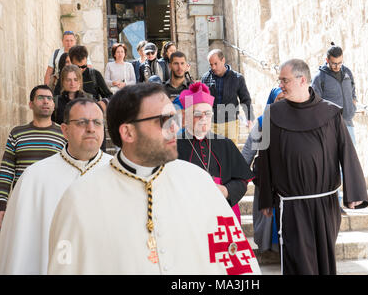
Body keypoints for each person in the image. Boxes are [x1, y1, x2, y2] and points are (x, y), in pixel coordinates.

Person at [47, 83, 261, 275]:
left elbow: (237, 267)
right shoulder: (80, 199)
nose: (175, 128)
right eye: (163, 120)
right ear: (128, 133)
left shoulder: (199, 182)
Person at [258, 59, 368, 275]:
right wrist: (265, 198)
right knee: (299, 263)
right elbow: (265, 158)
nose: (280, 84)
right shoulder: (272, 114)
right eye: (280, 80)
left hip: (325, 204)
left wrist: (353, 193)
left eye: (284, 80)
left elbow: (347, 151)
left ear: (302, 80)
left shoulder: (330, 113)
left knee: (324, 262)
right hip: (292, 206)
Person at [0, 98, 112, 274]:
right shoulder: (35, 178)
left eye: (97, 122)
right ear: (64, 130)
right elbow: (21, 251)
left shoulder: (121, 174)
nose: (90, 128)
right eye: (81, 122)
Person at [177, 82, 253, 225]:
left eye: (208, 113)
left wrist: (225, 190)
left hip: (224, 212)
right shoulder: (174, 147)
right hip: (189, 217)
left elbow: (242, 181)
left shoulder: (225, 144)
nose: (204, 118)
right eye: (198, 114)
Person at [0, 85, 66, 228]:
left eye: (49, 98)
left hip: (54, 204)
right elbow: (6, 171)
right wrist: (1, 205)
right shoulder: (17, 134)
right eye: (40, 98)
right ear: (31, 104)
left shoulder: (64, 134)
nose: (46, 101)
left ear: (53, 104)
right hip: (22, 203)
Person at [241, 87, 284, 253]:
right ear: (272, 101)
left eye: (284, 98)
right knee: (268, 217)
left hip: (288, 181)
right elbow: (248, 152)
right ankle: (269, 247)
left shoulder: (296, 120)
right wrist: (239, 177)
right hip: (267, 178)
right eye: (279, 99)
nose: (282, 102)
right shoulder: (261, 122)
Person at [201, 49, 255, 145]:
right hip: (212, 123)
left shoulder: (237, 78)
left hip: (231, 122)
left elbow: (245, 99)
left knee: (231, 153)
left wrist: (249, 117)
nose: (213, 67)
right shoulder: (205, 78)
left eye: (215, 63)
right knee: (213, 153)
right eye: (211, 64)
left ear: (223, 60)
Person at [311, 42, 357, 144]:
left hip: (348, 123)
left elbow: (353, 90)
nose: (337, 66)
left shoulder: (347, 73)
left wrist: (353, 107)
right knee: (333, 158)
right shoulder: (319, 78)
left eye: (340, 63)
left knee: (351, 157)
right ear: (327, 60)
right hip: (329, 127)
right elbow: (313, 103)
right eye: (334, 63)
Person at [68, 45, 112, 109]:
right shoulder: (65, 76)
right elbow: (57, 97)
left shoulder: (94, 75)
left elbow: (109, 96)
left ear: (86, 60)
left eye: (83, 67)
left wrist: (103, 102)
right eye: (77, 67)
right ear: (71, 62)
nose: (80, 70)